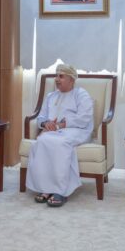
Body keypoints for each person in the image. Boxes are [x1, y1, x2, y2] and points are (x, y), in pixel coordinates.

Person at [27, 64, 93, 207]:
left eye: (61, 76)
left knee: (60, 143)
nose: (57, 79)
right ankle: (45, 188)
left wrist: (62, 124)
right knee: (42, 141)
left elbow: (84, 118)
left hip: (77, 129)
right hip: (54, 131)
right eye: (56, 76)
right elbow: (41, 117)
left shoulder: (81, 94)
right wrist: (46, 123)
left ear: (71, 80)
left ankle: (60, 191)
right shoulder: (51, 96)